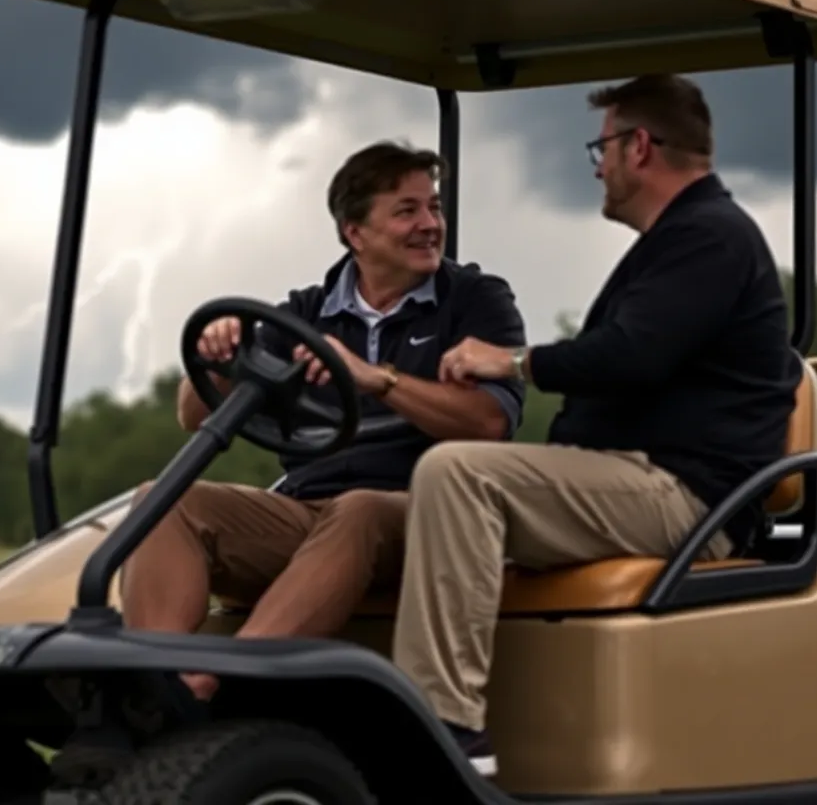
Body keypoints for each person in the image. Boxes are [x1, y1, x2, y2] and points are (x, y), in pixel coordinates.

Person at [390, 74, 802, 776]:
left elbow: (630, 356)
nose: (599, 167)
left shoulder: (710, 237)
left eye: (602, 148)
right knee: (401, 507)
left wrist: (510, 361)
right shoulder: (681, 241)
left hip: (688, 496)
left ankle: (446, 730)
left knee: (457, 472)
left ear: (639, 146)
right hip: (644, 480)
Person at [120, 140, 527, 702]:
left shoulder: (476, 300)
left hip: (430, 510)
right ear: (354, 233)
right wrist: (219, 362)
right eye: (407, 211)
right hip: (313, 510)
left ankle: (225, 684)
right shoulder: (305, 314)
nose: (430, 224)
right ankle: (155, 686)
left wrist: (377, 378)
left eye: (433, 208)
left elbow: (487, 423)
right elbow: (194, 416)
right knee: (162, 500)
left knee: (358, 509)